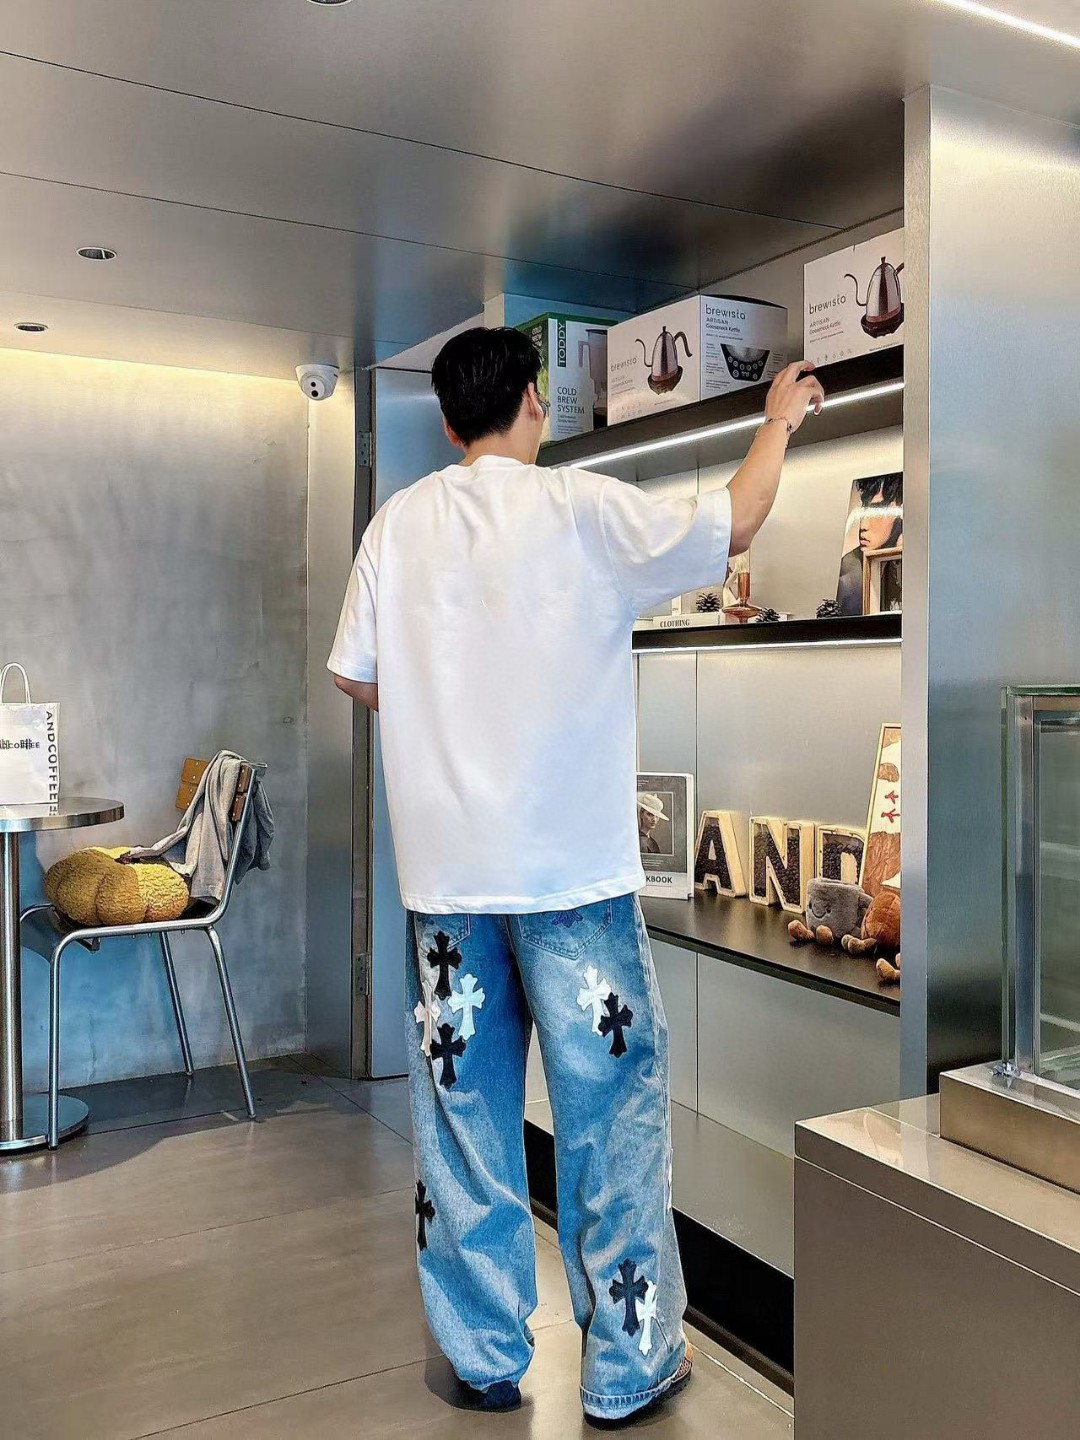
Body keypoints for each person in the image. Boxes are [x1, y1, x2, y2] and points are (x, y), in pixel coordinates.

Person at [329, 328, 823, 1425]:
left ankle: (483, 1356)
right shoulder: (583, 508)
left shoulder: (396, 526)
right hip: (575, 887)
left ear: (450, 424)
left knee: (464, 1122)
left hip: (449, 894)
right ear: (534, 403)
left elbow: (357, 677)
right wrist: (779, 418)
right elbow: (736, 521)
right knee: (609, 1118)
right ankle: (627, 1366)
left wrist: (449, 708)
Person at [835, 471, 903, 615]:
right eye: (864, 508)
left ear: (900, 507)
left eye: (877, 509)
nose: (863, 525)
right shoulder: (849, 577)